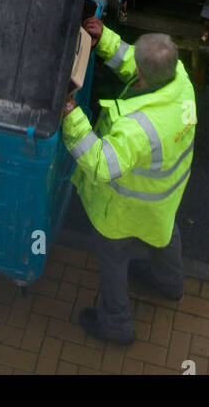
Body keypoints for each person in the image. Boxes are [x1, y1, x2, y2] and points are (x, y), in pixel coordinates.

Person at [62, 20, 197, 344]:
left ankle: (116, 324)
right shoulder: (179, 79)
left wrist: (71, 115)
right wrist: (104, 39)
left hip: (124, 208)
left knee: (114, 259)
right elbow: (136, 61)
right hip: (165, 196)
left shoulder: (138, 129)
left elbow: (100, 163)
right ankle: (169, 284)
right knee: (164, 235)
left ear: (143, 77)